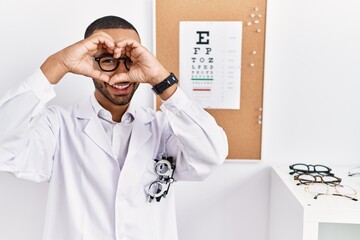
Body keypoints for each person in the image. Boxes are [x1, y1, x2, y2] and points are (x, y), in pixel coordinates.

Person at [0, 15, 228, 240]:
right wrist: (58, 64)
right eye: (108, 60)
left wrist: (162, 79)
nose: (121, 73)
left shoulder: (163, 129)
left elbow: (211, 155)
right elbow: (4, 147)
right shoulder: (59, 126)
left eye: (131, 60)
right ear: (89, 62)